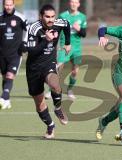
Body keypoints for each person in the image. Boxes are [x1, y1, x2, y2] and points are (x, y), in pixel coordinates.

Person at [24, 4, 71, 139]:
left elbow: (67, 25)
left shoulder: (59, 23)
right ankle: (50, 126)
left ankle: (57, 108)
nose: (51, 20)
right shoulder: (34, 28)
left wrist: (67, 43)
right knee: (39, 104)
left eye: (52, 16)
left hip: (48, 63)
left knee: (55, 84)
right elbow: (31, 52)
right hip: (33, 68)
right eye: (47, 17)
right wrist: (46, 40)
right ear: (41, 17)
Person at [45, 0, 87, 100]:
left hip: (76, 48)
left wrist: (79, 29)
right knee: (58, 68)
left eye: (76, 2)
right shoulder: (63, 16)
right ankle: (51, 91)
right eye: (72, 2)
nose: (73, 4)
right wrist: (55, 43)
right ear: (69, 3)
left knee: (75, 71)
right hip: (64, 46)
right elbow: (56, 30)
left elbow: (84, 34)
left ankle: (70, 90)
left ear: (79, 4)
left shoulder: (82, 17)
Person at [0, 0, 28, 110]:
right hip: (2, 54)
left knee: (10, 75)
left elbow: (28, 30)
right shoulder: (0, 17)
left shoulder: (20, 17)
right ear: (3, 5)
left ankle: (3, 97)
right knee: (4, 77)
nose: (8, 7)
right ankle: (7, 100)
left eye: (10, 5)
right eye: (6, 5)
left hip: (16, 53)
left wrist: (24, 43)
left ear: (13, 5)